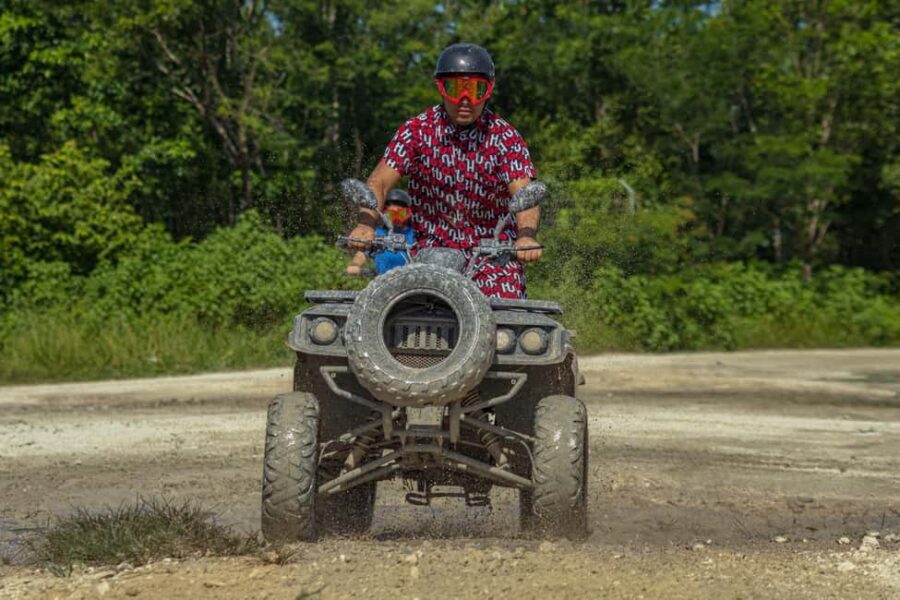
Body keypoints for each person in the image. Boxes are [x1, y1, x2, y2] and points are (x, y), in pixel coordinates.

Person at [346, 43, 542, 298]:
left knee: (507, 321)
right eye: (454, 89)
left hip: (492, 258)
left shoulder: (504, 137)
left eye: (475, 90)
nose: (464, 100)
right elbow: (379, 182)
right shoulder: (416, 131)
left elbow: (524, 193)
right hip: (426, 254)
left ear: (488, 91)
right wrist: (365, 225)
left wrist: (526, 236)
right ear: (441, 88)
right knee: (390, 306)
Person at [345, 189, 415, 276]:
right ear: (385, 214)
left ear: (409, 213)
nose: (397, 219)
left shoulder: (416, 234)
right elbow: (362, 253)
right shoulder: (377, 233)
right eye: (392, 214)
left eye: (401, 214)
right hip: (382, 282)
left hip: (411, 282)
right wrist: (355, 265)